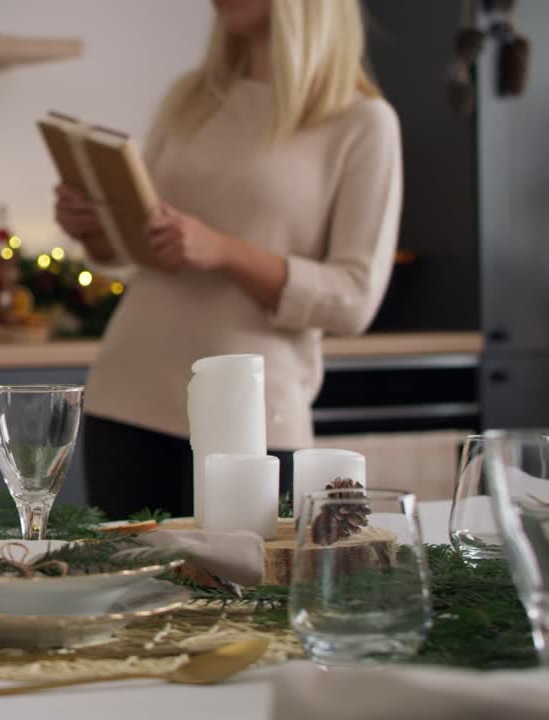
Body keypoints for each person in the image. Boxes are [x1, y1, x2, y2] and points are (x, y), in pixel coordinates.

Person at [55, 0, 402, 520]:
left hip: (252, 421)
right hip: (126, 395)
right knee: (129, 594)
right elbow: (142, 251)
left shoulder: (362, 123)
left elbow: (353, 300)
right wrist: (97, 230)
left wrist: (223, 251)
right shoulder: (191, 99)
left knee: (250, 597)